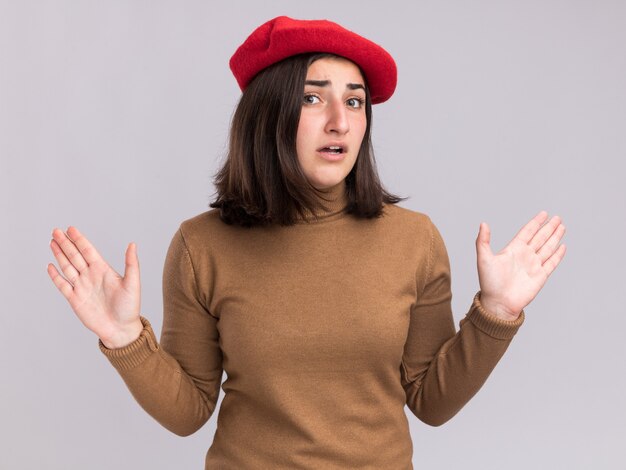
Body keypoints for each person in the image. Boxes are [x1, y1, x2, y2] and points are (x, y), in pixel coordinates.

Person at [47, 15, 567, 469]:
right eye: (312, 97)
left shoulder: (415, 241)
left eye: (355, 101)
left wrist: (495, 312)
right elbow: (188, 412)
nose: (340, 120)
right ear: (268, 115)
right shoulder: (200, 246)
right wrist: (123, 338)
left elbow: (431, 401)